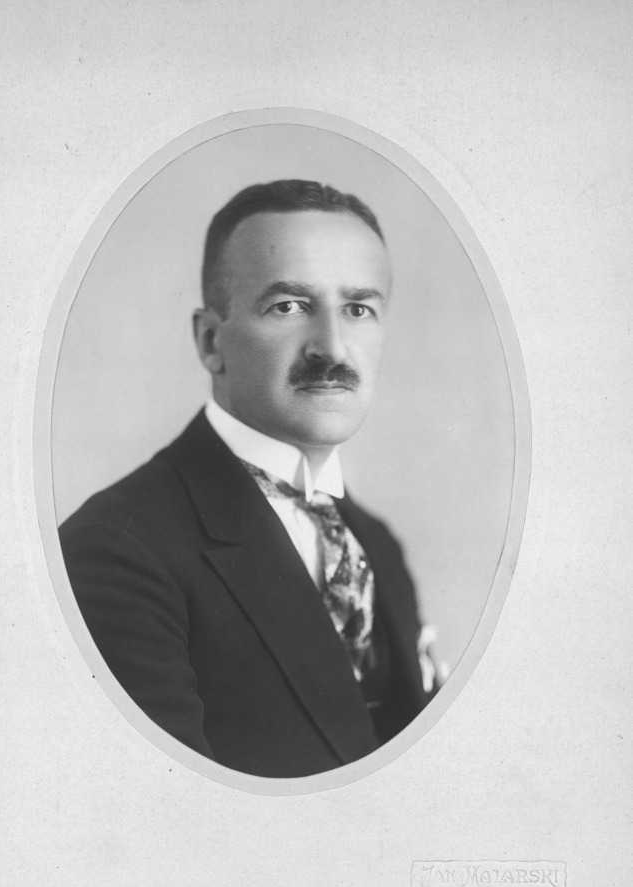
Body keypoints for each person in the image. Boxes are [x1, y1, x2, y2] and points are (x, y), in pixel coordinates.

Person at [59, 179, 438, 778]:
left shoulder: (376, 542)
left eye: (358, 309)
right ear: (211, 341)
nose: (333, 348)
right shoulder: (116, 550)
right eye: (289, 306)